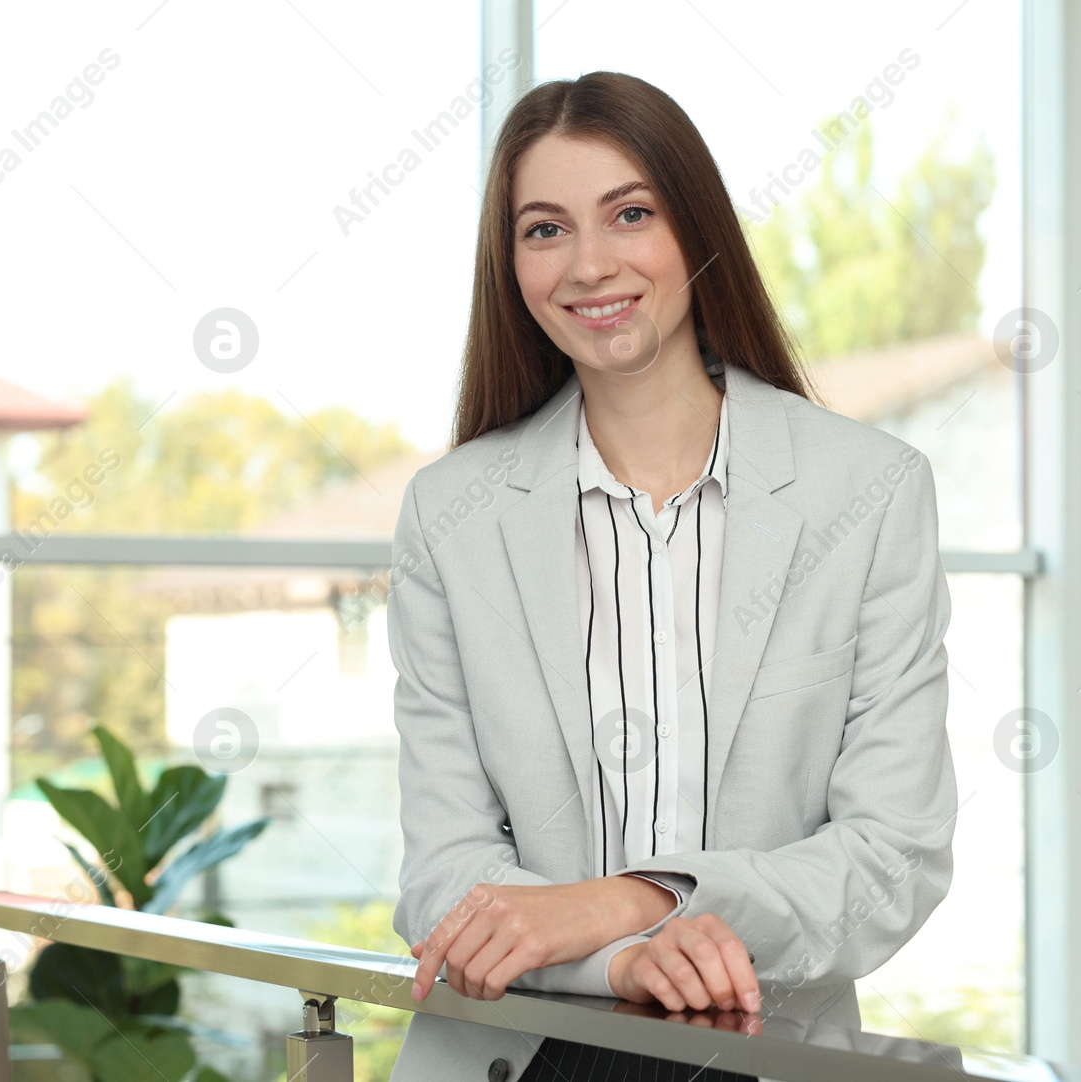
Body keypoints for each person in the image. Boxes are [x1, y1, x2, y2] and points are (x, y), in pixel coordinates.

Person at [384, 71, 959, 1082]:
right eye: (544, 228)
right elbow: (442, 870)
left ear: (697, 230)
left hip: (761, 1050)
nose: (589, 263)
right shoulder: (450, 514)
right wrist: (625, 956)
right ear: (509, 262)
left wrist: (636, 896)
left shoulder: (868, 492)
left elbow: (890, 859)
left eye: (630, 214)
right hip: (515, 1053)